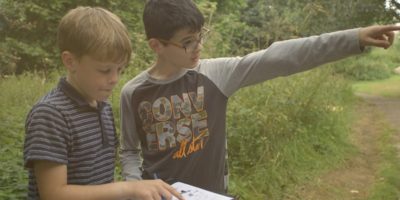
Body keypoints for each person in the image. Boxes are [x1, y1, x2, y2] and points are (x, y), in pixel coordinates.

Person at [120, 0, 400, 195]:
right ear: (156, 45)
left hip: (213, 195)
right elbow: (130, 151)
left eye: (200, 35)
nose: (198, 47)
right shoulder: (133, 92)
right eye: (187, 42)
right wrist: (136, 187)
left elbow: (281, 57)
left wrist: (354, 38)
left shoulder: (215, 74)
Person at [23, 6, 183, 200]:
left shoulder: (101, 106)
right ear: (70, 61)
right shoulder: (50, 114)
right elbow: (54, 193)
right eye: (105, 70)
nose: (115, 79)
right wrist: (129, 188)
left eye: (120, 70)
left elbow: (98, 183)